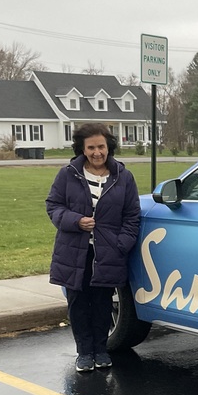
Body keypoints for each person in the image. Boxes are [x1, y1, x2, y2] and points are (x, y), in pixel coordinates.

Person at [46, 123, 141, 373]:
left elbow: (132, 216)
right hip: (74, 252)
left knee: (102, 302)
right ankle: (84, 353)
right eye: (91, 147)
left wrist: (122, 244)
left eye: (101, 146)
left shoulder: (124, 177)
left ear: (109, 146)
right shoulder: (68, 174)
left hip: (108, 253)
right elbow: (53, 207)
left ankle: (101, 350)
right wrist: (76, 221)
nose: (97, 152)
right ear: (82, 149)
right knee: (78, 303)